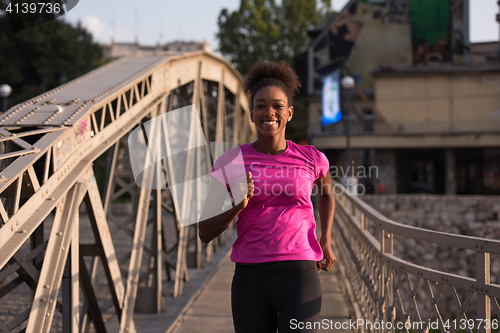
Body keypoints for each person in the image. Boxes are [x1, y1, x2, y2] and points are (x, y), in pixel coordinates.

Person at [198, 61, 336, 333]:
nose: (269, 112)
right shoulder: (231, 161)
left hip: (300, 275)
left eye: (277, 106)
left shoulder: (311, 157)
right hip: (250, 281)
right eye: (260, 105)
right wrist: (237, 205)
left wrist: (326, 239)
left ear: (290, 113)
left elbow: (327, 193)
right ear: (250, 113)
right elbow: (204, 231)